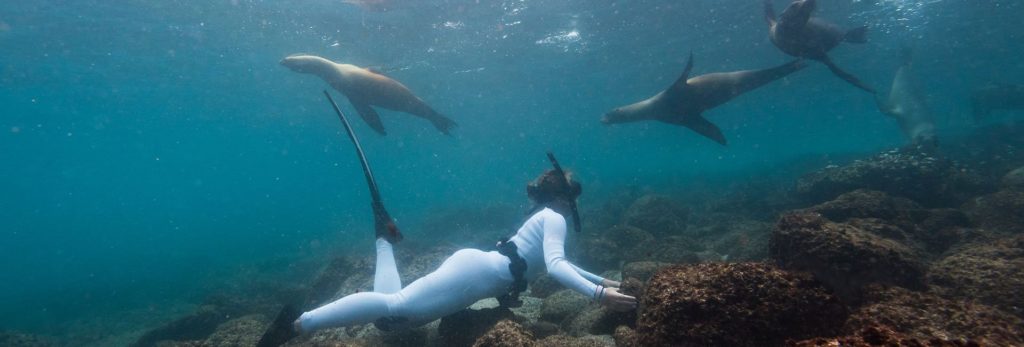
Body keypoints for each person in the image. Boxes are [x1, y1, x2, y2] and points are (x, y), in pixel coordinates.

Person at [293, 167, 638, 334]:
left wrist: (601, 280)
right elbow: (557, 265)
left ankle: (384, 241)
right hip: (475, 274)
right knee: (396, 307)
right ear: (565, 196)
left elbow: (554, 263)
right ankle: (302, 324)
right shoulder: (554, 217)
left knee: (390, 324)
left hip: (475, 271)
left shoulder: (546, 217)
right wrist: (598, 294)